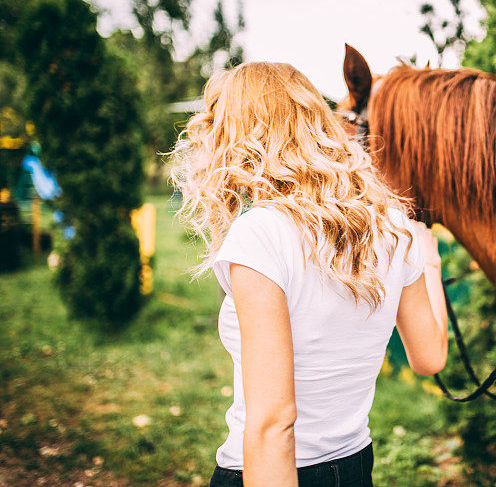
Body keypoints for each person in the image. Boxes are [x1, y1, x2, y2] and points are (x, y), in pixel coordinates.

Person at [169, 62, 448, 487]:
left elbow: (274, 425)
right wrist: (429, 260)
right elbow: (431, 357)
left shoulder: (261, 234)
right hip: (355, 467)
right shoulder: (395, 225)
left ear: (239, 138)